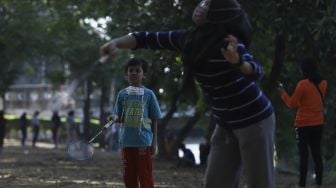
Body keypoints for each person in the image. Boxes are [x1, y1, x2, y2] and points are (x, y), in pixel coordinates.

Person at [100, 0, 275, 187]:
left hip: (255, 121)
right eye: (202, 2)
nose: (201, 6)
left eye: (208, 4)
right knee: (215, 183)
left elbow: (257, 70)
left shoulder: (229, 44)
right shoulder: (189, 40)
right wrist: (116, 43)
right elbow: (146, 38)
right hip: (225, 124)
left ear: (219, 12)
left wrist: (238, 63)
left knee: (260, 183)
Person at [111, 58, 162, 188]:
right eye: (131, 70)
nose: (134, 73)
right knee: (129, 176)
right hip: (126, 142)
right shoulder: (122, 94)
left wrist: (154, 142)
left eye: (137, 70)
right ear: (126, 74)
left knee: (145, 175)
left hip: (144, 142)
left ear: (143, 74)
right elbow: (119, 116)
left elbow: (155, 118)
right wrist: (113, 118)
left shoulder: (149, 94)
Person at [279, 58, 326, 188]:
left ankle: (301, 185)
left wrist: (282, 92)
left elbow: (291, 103)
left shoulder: (302, 84)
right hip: (318, 123)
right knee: (317, 153)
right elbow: (313, 101)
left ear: (304, 70)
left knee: (304, 156)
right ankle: (319, 183)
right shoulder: (323, 83)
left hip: (303, 125)